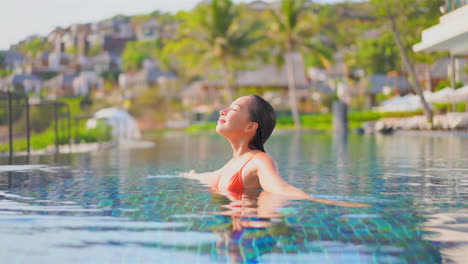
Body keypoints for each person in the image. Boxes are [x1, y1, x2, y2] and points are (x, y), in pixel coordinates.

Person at [181, 95, 369, 208]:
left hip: (252, 231)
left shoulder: (259, 161)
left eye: (234, 109)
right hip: (239, 229)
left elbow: (282, 189)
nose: (223, 110)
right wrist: (190, 175)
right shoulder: (231, 165)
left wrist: (321, 201)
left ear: (250, 127)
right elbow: (208, 177)